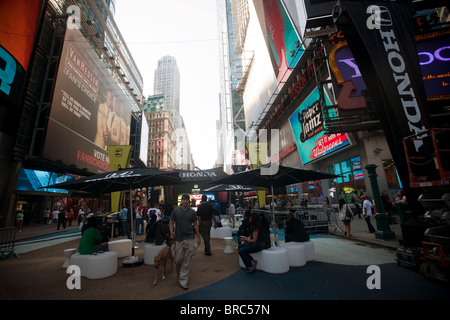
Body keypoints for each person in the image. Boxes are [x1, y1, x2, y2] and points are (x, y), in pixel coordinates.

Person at [169, 194, 201, 290]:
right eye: (184, 200)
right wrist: (171, 231)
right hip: (178, 238)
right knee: (178, 259)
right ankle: (179, 273)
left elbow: (195, 225)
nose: (185, 201)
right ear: (181, 201)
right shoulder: (176, 211)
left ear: (189, 201)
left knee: (186, 260)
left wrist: (198, 237)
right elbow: (171, 221)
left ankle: (183, 280)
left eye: (187, 200)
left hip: (190, 238)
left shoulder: (192, 212)